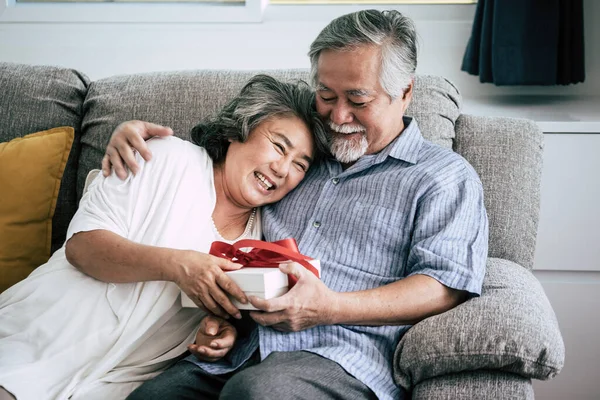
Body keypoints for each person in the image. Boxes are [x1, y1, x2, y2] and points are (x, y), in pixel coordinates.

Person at [104, 9, 489, 400]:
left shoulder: (443, 177)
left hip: (341, 359)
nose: (338, 116)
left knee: (257, 392)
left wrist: (331, 307)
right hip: (238, 351)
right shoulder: (299, 157)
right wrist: (132, 133)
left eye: (357, 99)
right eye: (325, 95)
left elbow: (445, 287)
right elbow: (222, 155)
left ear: (404, 93)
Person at [0, 75, 329, 400]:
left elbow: (217, 318)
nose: (283, 169)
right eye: (278, 146)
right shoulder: (164, 157)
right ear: (236, 130)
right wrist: (178, 265)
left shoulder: (262, 241)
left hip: (119, 382)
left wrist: (217, 334)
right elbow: (82, 248)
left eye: (300, 164)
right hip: (45, 336)